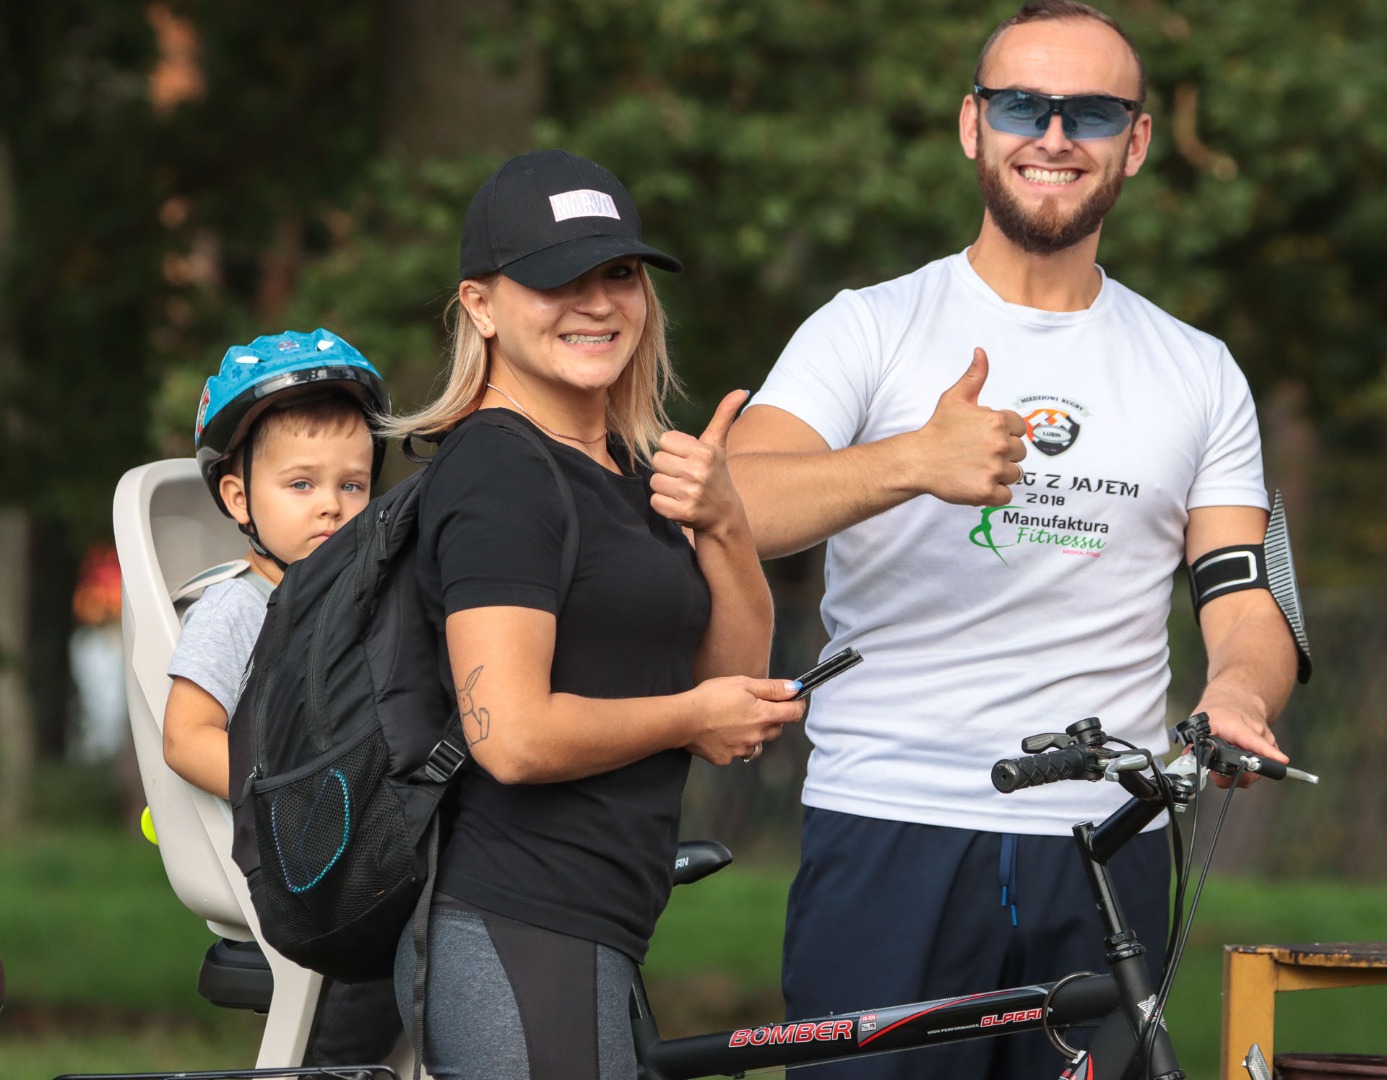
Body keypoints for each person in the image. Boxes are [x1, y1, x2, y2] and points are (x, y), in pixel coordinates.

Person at [724, 4, 1301, 1078]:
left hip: (1105, 843)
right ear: (970, 125)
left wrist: (1240, 694)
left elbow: (1240, 588)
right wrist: (910, 461)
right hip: (890, 817)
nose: (1052, 135)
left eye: (1088, 112)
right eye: (1022, 106)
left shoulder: (1197, 367)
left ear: (1133, 141)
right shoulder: (869, 325)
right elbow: (736, 507)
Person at [377, 148, 805, 1080]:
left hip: (593, 916)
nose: (598, 301)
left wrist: (725, 523)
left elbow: (729, 697)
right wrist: (696, 716)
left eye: (617, 273)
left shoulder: (623, 469)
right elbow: (513, 738)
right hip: (511, 916)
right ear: (480, 305)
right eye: (554, 278)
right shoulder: (499, 472)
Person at [163, 327, 403, 1068]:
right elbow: (185, 734)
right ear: (238, 497)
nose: (331, 507)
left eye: (352, 485)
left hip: (382, 830)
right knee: (385, 937)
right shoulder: (237, 609)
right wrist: (299, 799)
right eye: (301, 485)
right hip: (304, 855)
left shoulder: (370, 607)